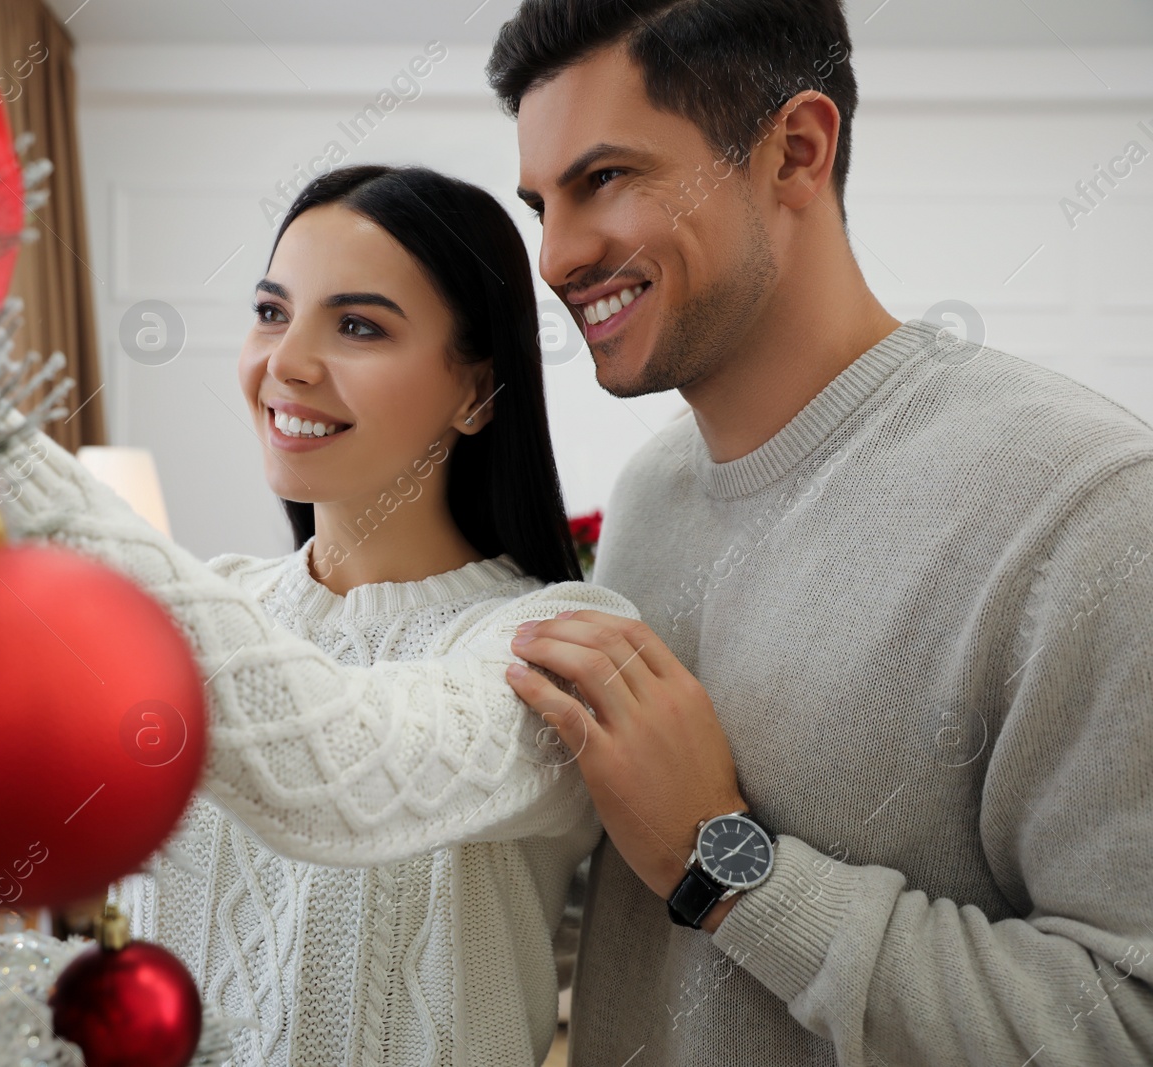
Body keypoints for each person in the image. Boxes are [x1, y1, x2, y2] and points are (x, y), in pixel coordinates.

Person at [483, 1, 1153, 1064]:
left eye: (606, 178)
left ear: (794, 150)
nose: (557, 256)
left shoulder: (1090, 507)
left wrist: (723, 863)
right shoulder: (648, 494)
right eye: (540, 204)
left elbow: (1124, 1020)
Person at [4, 165, 638, 1066]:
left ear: (477, 391)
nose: (286, 364)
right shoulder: (216, 600)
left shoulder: (551, 639)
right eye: (272, 312)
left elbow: (344, 772)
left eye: (356, 325)